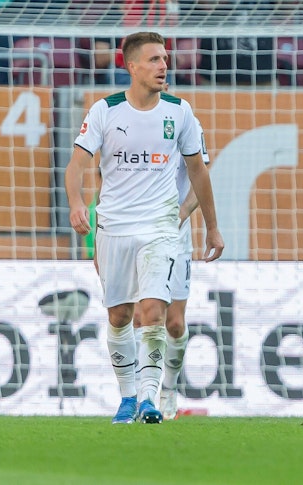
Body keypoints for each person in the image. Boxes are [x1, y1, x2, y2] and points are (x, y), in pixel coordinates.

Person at [65, 31, 224, 425]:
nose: (163, 65)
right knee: (120, 316)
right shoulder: (105, 111)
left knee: (155, 313)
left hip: (162, 227)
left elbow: (199, 172)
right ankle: (127, 397)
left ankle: (152, 398)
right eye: (154, 59)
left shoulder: (179, 111)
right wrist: (75, 204)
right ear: (131, 66)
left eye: (165, 58)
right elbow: (75, 166)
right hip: (114, 227)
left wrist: (211, 227)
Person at [132, 97, 209, 421]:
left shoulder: (184, 121)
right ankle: (141, 396)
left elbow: (200, 178)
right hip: (135, 233)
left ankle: (169, 390)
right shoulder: (126, 123)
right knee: (141, 317)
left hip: (175, 237)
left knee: (174, 323)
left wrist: (180, 213)